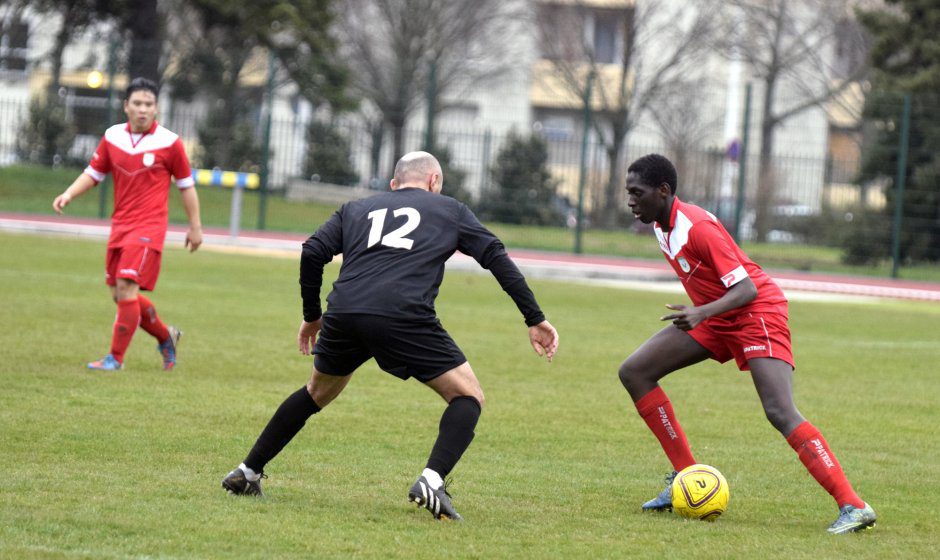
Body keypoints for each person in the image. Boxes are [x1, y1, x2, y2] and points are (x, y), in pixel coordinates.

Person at [221, 151, 559, 521]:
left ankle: (247, 471)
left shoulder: (355, 209)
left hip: (346, 312)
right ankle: (432, 480)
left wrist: (312, 316)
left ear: (394, 184)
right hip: (403, 314)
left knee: (315, 393)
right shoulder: (450, 209)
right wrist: (535, 317)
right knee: (467, 395)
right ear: (433, 182)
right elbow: (495, 257)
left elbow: (313, 251)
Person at [619, 154, 875, 534]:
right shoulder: (660, 226)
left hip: (757, 313)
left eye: (637, 192)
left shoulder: (699, 227)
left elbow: (747, 288)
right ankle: (687, 479)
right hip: (717, 316)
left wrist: (702, 313)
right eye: (628, 193)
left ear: (663, 191)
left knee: (779, 410)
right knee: (635, 372)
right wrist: (706, 314)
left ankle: (854, 505)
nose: (630, 201)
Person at [53, 77, 202, 371]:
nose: (143, 109)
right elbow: (94, 173)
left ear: (156, 108)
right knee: (119, 295)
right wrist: (69, 193)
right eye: (137, 103)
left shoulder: (170, 143)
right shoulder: (112, 137)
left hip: (149, 227)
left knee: (126, 287)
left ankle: (115, 359)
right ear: (126, 106)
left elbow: (187, 186)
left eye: (149, 104)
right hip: (120, 225)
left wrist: (195, 226)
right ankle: (166, 336)